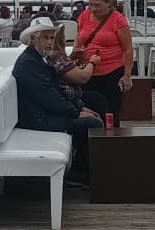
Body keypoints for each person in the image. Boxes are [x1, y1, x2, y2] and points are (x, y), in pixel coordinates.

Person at [14, 17, 101, 183]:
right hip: (36, 119)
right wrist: (76, 113)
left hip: (43, 113)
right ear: (33, 39)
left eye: (52, 38)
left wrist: (79, 107)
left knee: (93, 113)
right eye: (45, 38)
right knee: (93, 123)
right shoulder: (29, 64)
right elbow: (48, 97)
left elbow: (58, 89)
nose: (49, 42)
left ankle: (84, 169)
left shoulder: (40, 59)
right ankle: (80, 173)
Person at [72, 0, 134, 121]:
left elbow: (128, 48)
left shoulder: (118, 20)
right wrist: (76, 51)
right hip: (87, 72)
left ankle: (112, 140)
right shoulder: (84, 16)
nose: (93, 9)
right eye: (91, 4)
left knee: (110, 112)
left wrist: (127, 75)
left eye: (98, 5)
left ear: (108, 3)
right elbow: (79, 36)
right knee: (89, 110)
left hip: (111, 72)